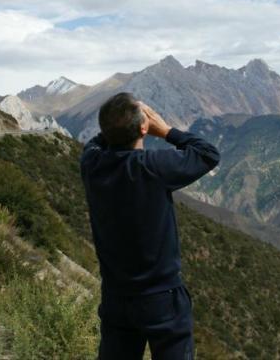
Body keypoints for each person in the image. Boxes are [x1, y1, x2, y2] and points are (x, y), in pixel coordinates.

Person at [80, 93, 220, 360]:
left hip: (116, 296)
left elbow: (97, 142)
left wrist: (120, 125)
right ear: (144, 127)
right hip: (162, 297)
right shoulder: (153, 167)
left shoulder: (92, 164)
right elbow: (208, 154)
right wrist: (166, 131)